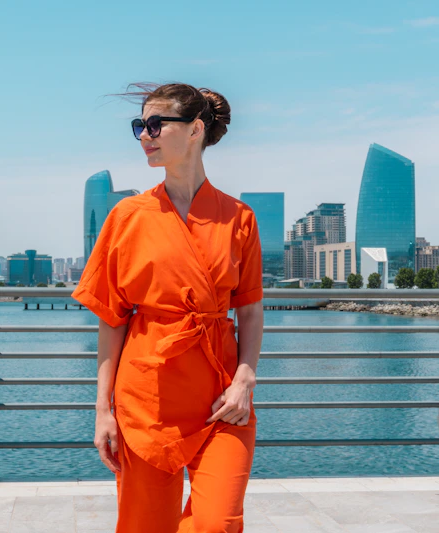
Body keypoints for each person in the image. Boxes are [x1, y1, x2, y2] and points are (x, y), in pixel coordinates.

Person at [71, 82, 264, 532]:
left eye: (156, 124)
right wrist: (104, 412)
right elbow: (111, 319)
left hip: (223, 397)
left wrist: (245, 380)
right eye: (140, 125)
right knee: (146, 525)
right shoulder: (127, 217)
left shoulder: (239, 218)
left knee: (218, 522)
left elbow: (251, 310)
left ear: (195, 129)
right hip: (148, 398)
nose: (144, 135)